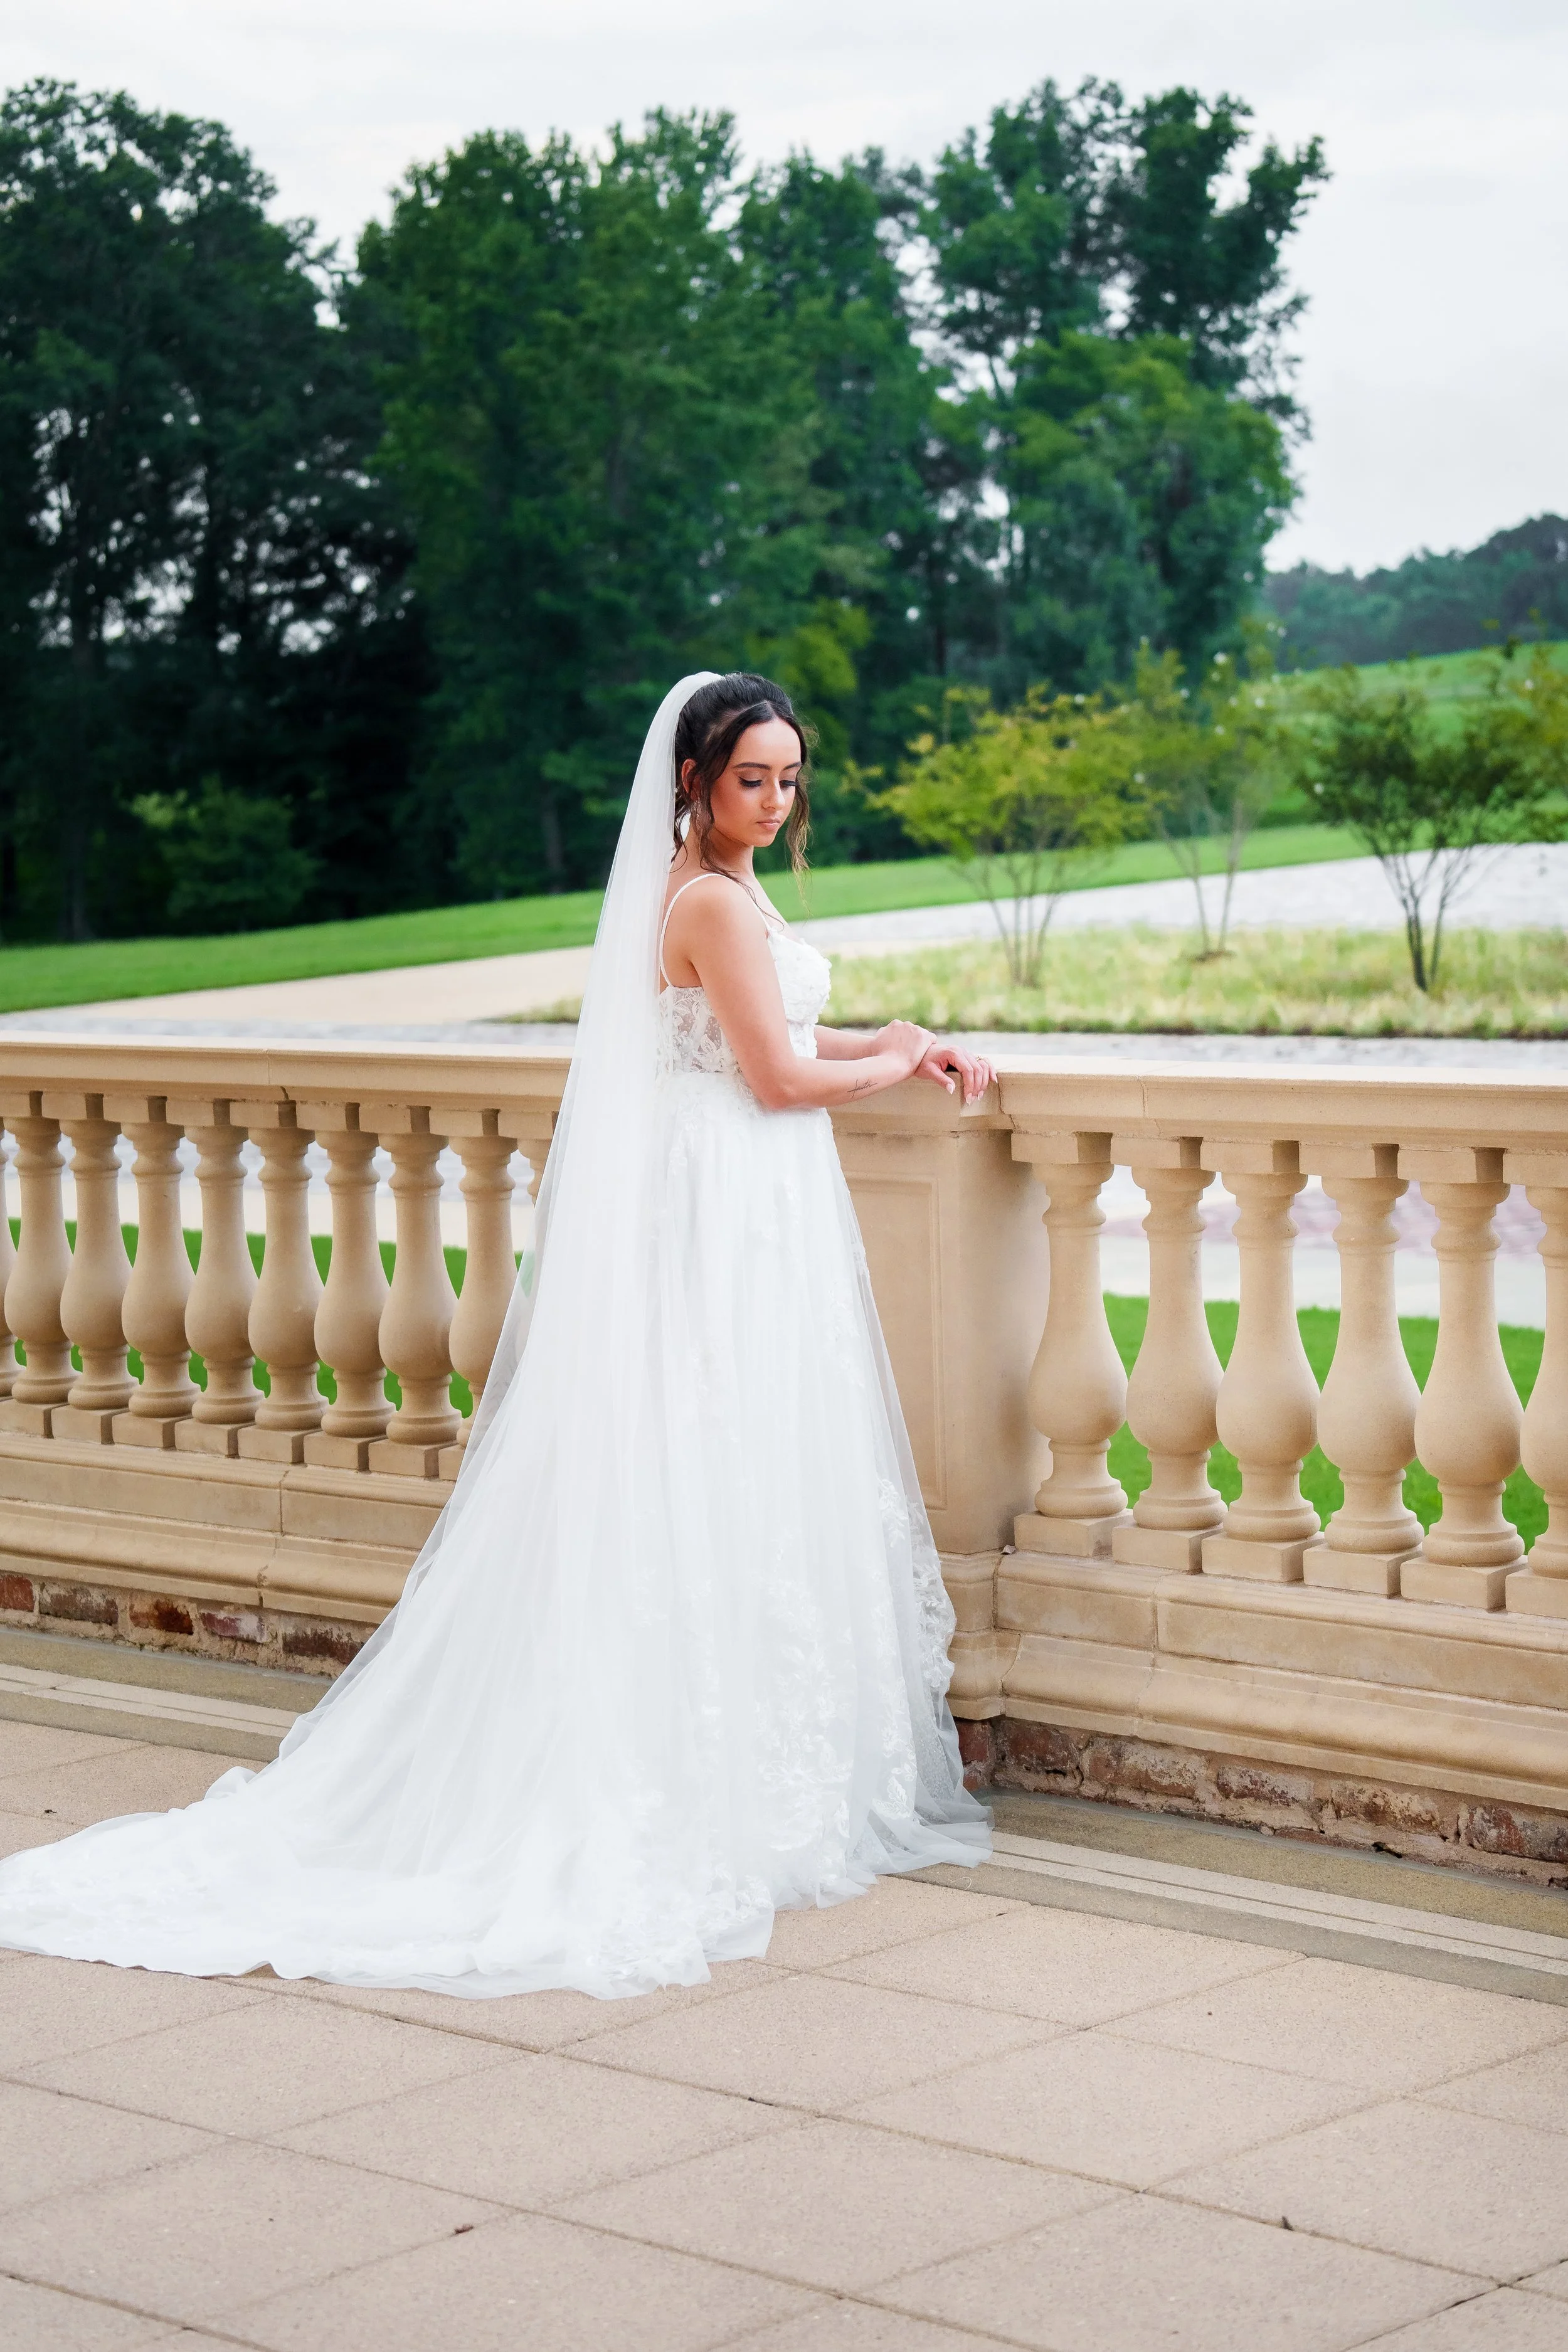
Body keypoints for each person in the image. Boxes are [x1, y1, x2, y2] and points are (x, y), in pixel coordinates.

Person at [0, 672, 993, 2000]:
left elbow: (781, 1030)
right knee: (703, 1451)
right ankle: (689, 1782)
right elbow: (777, 1078)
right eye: (749, 777)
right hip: (729, 1196)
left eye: (788, 777)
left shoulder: (717, 893)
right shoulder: (702, 899)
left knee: (734, 1457)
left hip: (749, 1195)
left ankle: (745, 1762)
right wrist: (893, 1059)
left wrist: (890, 1041)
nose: (772, 799)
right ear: (691, 781)